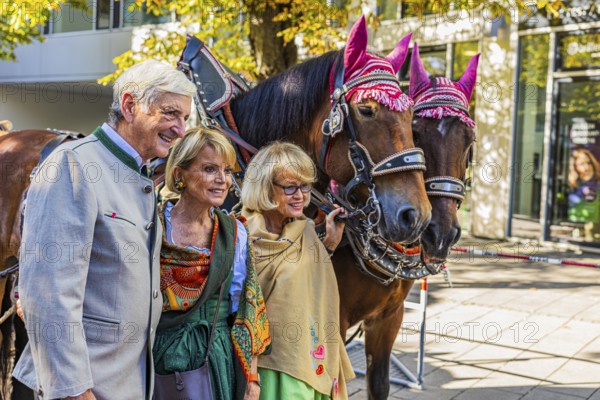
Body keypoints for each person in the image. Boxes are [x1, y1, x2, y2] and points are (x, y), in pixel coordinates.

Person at [13, 60, 197, 400]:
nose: (181, 129)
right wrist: (73, 390)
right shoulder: (74, 164)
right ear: (129, 106)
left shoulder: (139, 174)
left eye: (185, 118)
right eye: (171, 113)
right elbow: (49, 293)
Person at [153, 127, 271, 400]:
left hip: (215, 357)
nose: (222, 180)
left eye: (227, 171)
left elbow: (247, 306)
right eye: (209, 169)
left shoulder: (234, 232)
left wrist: (251, 378)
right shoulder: (153, 225)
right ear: (179, 174)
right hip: (158, 353)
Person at [240, 142, 355, 400]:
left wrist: (329, 247)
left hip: (312, 362)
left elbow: (308, 288)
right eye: (290, 187)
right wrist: (251, 376)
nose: (301, 196)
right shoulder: (240, 236)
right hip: (267, 368)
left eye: (305, 187)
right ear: (264, 187)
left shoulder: (305, 232)